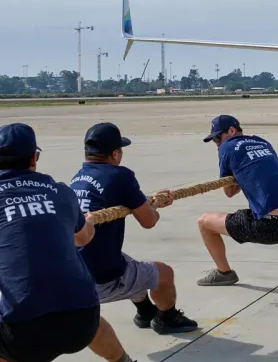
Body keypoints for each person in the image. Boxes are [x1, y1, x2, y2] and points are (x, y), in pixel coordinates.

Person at [0, 123, 137, 362]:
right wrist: (87, 221)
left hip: (23, 333)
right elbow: (83, 238)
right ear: (33, 158)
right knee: (71, 301)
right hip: (83, 320)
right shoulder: (60, 192)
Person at [69, 122, 198, 335]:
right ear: (115, 154)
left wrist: (149, 202)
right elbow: (149, 221)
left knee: (131, 264)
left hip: (73, 271)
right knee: (164, 273)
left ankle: (145, 312)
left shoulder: (78, 178)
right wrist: (155, 206)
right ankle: (167, 319)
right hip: (99, 279)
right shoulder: (120, 175)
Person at [197, 115, 278, 286]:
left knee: (204, 222)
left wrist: (239, 174)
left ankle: (224, 272)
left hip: (268, 227)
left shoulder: (226, 147)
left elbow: (229, 191)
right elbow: (274, 168)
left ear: (231, 131)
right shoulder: (262, 141)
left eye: (217, 138)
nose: (217, 143)